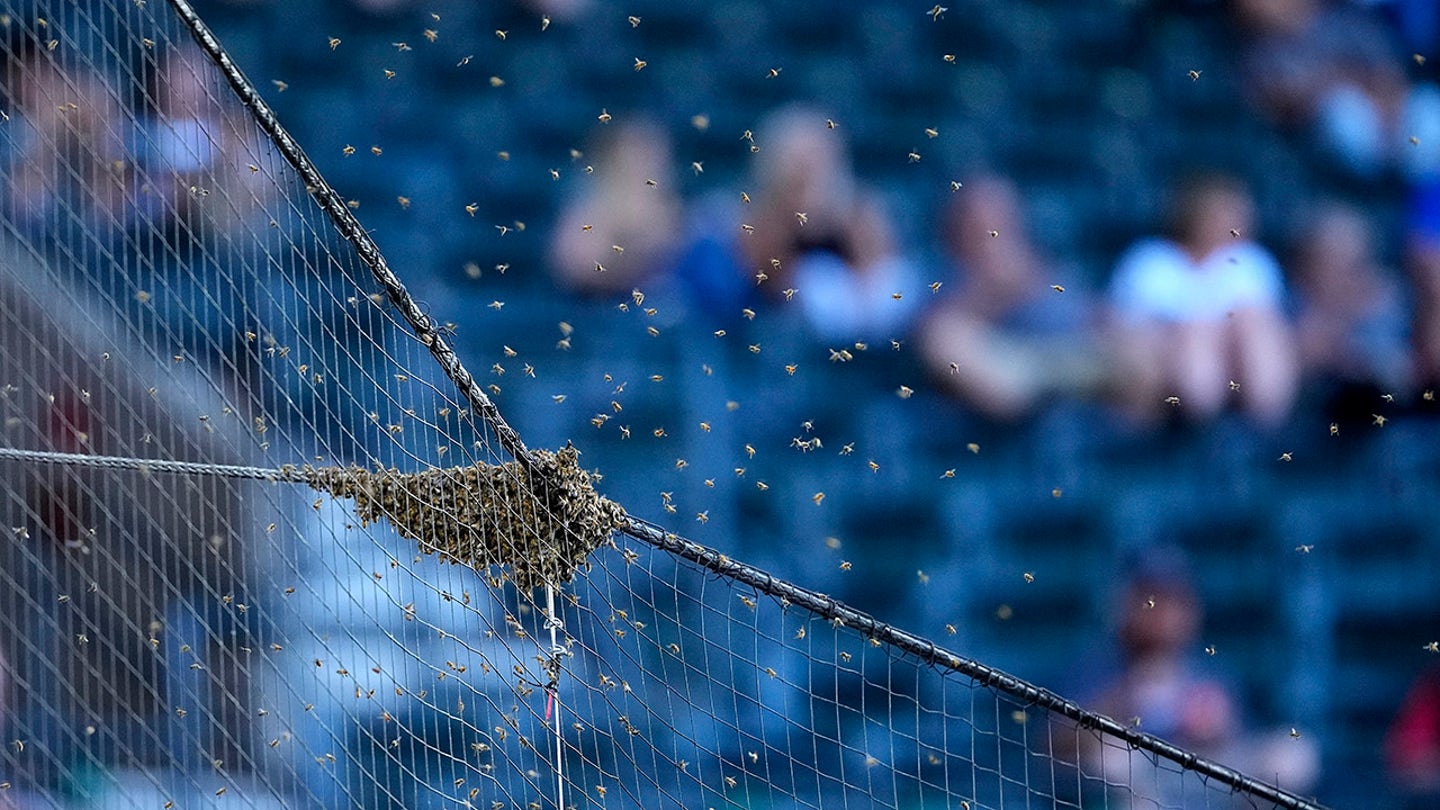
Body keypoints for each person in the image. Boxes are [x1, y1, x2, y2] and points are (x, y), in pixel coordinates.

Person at [1106, 172, 1297, 427]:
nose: (1237, 222)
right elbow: (1125, 326)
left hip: (1233, 364)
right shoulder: (1151, 260)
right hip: (1164, 365)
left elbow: (1262, 323)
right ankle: (1199, 424)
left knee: (1253, 327)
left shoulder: (1251, 261)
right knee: (1193, 333)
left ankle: (1263, 427)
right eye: (1224, 213)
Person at [918, 174, 1104, 421]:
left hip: (1079, 381)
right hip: (1014, 399)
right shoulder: (942, 302)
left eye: (1001, 224)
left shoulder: (1050, 277)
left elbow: (1101, 330)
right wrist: (994, 294)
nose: (994, 237)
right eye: (978, 228)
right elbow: (1005, 395)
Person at [1290, 202, 1412, 421]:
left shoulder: (1386, 299)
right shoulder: (1291, 303)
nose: (1343, 273)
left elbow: (1400, 374)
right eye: (1326, 261)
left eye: (1351, 262)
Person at [548, 117, 683, 296]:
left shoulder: (678, 212)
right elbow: (575, 268)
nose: (646, 163)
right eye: (637, 153)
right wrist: (630, 242)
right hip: (601, 308)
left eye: (652, 154)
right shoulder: (589, 210)